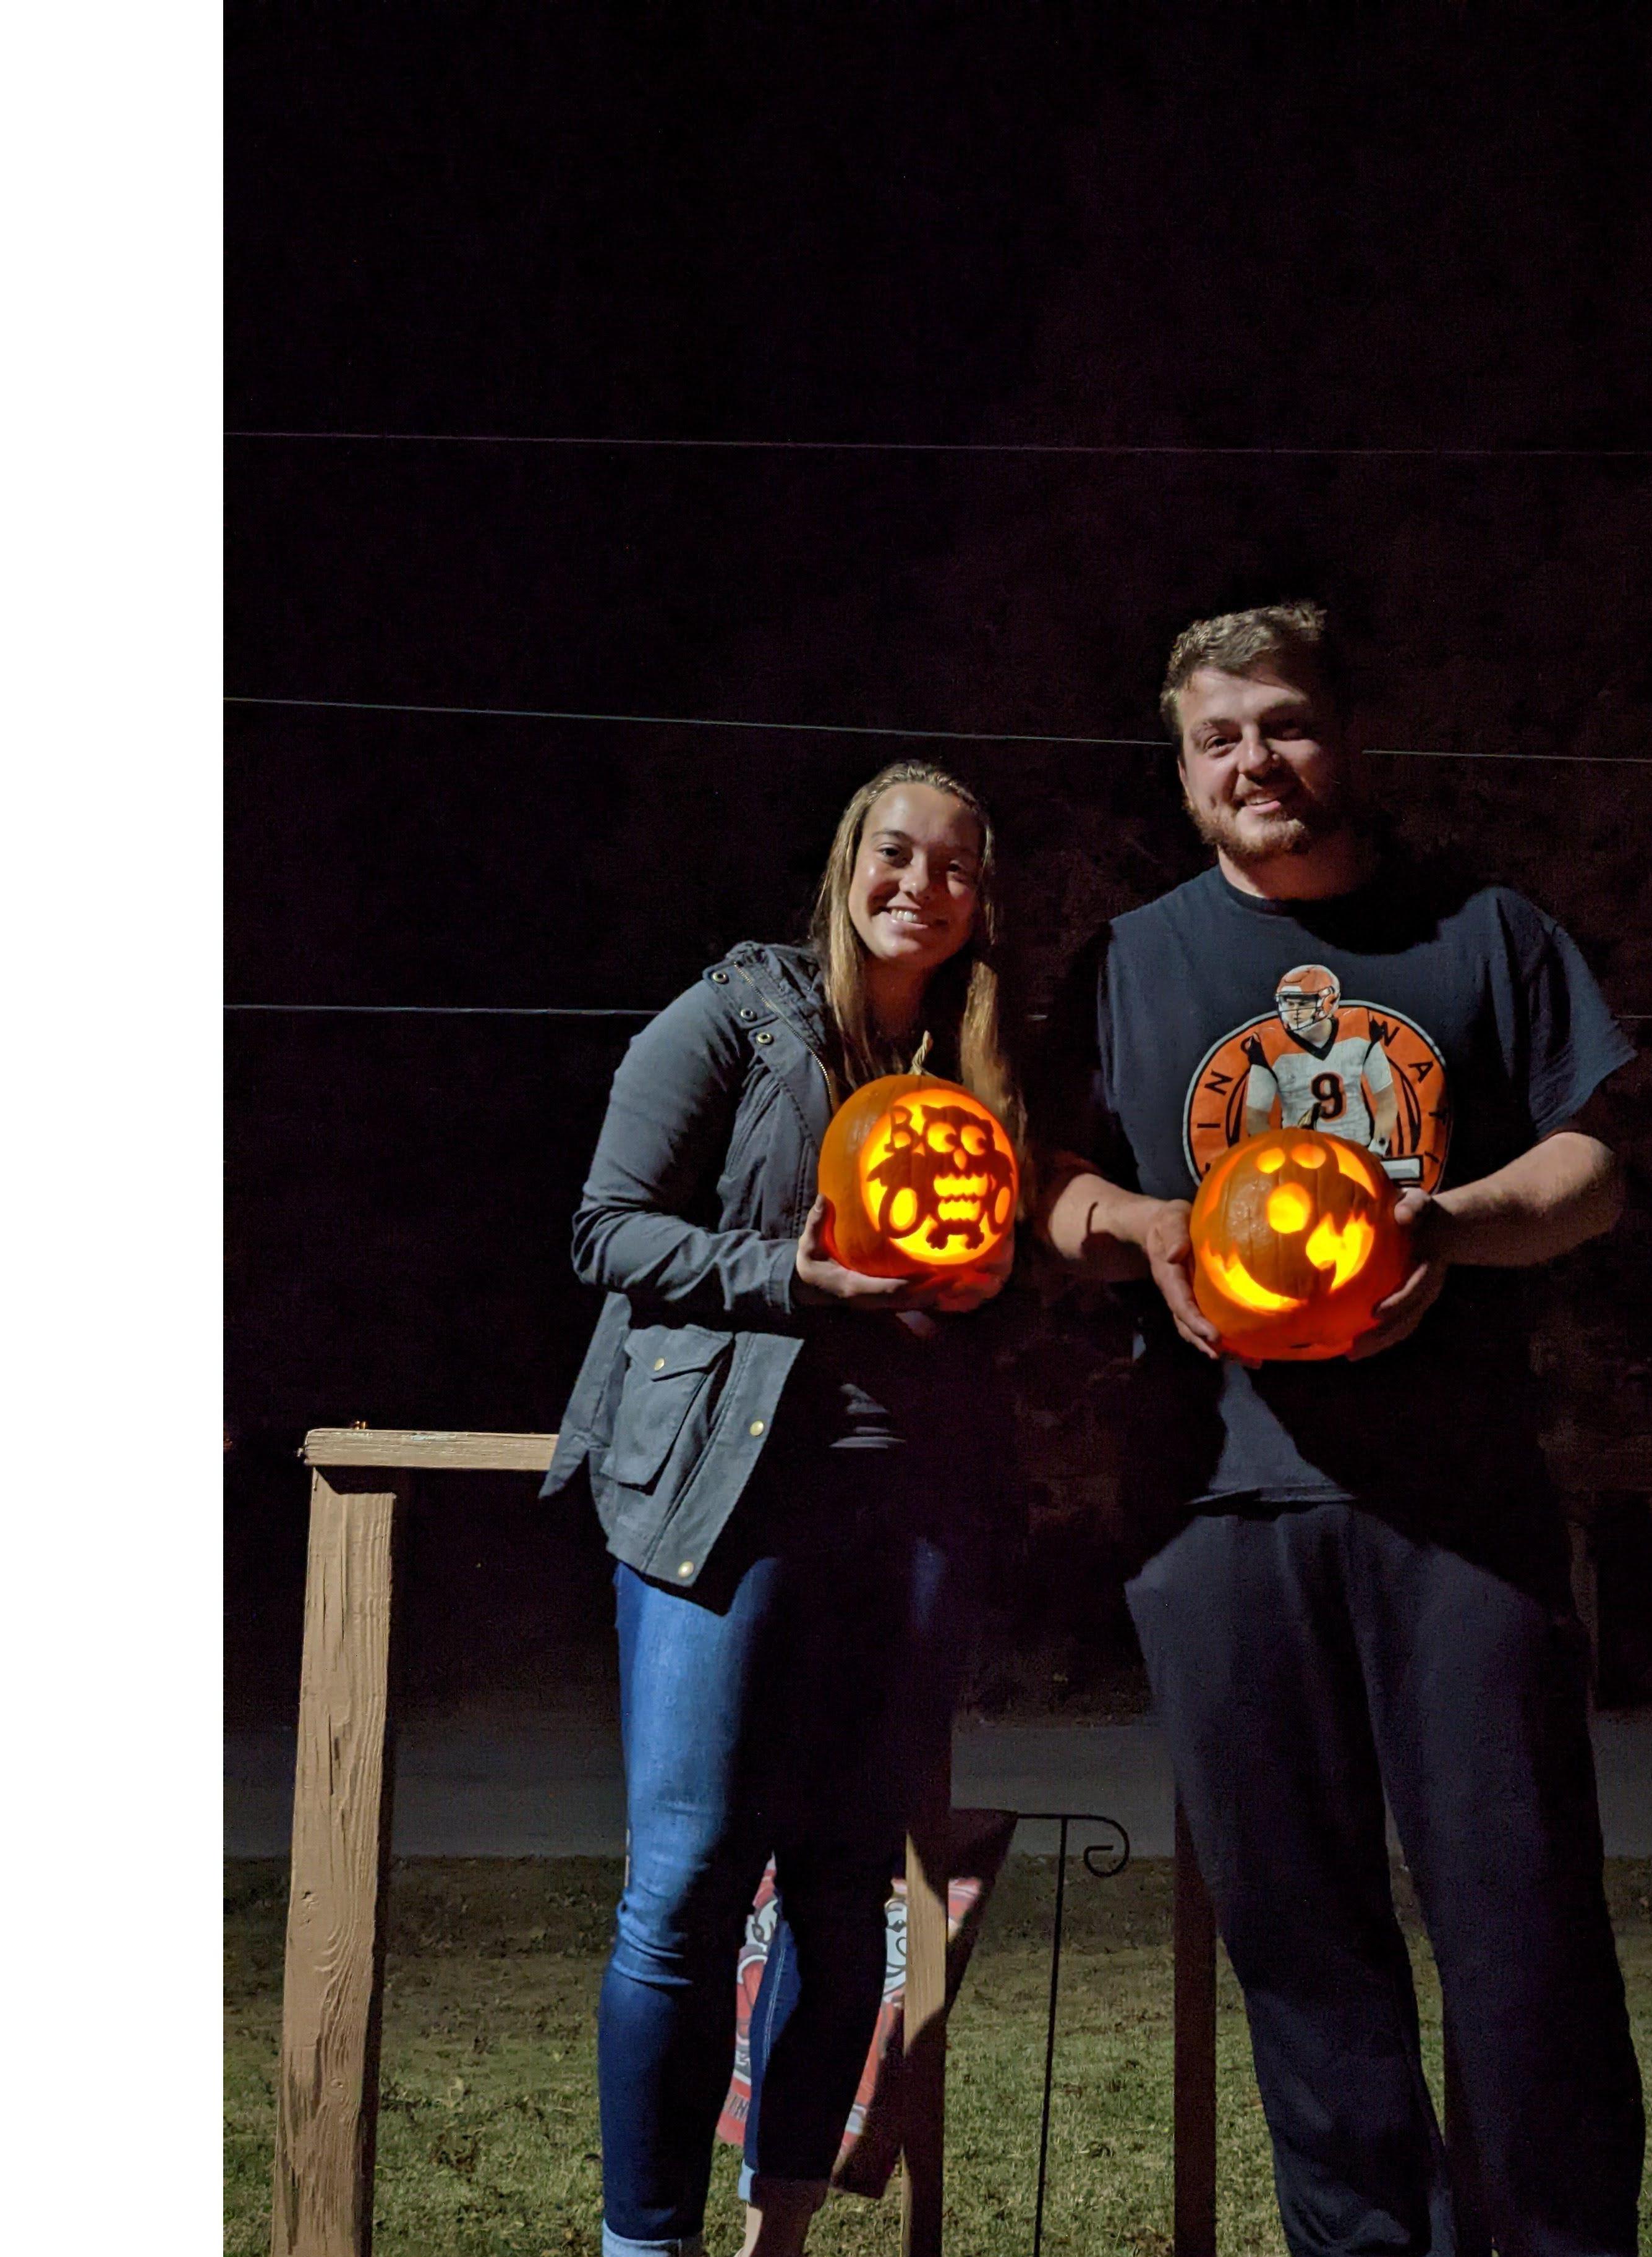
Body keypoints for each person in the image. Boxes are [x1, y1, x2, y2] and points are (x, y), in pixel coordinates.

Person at [1035, 604, 1646, 2257]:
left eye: (1286, 724)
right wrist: (1149, 1227)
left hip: (1458, 1506)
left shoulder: (1483, 932)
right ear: (1181, 774)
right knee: (1299, 1942)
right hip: (1218, 1506)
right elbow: (1043, 1188)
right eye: (1220, 738)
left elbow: (1589, 1168)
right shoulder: (1129, 961)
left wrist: (1440, 1225)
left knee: (1518, 1928)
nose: (1258, 761)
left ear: (1347, 737)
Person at [543, 761, 1021, 2257]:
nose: (919, 885)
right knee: (685, 1877)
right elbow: (605, 1226)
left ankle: (782, 2235)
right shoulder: (740, 1011)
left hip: (909, 1503)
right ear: (846, 860)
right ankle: (648, 2241)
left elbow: (997, 1256)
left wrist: (988, 1291)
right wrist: (787, 1274)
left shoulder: (983, 1052)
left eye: (953, 866)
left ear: (976, 895)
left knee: (838, 1882)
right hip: (720, 1488)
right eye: (897, 853)